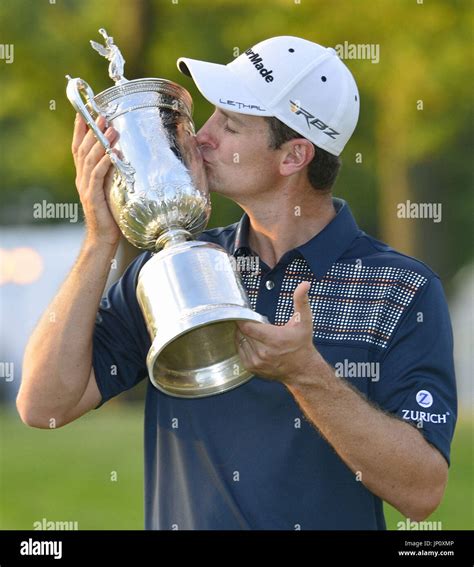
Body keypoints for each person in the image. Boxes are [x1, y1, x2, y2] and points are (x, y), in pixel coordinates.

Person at [18, 36, 457, 530]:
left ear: (294, 156)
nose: (201, 137)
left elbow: (423, 491)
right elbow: (43, 404)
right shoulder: (174, 265)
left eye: (230, 124)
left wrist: (304, 374)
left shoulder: (401, 287)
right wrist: (99, 239)